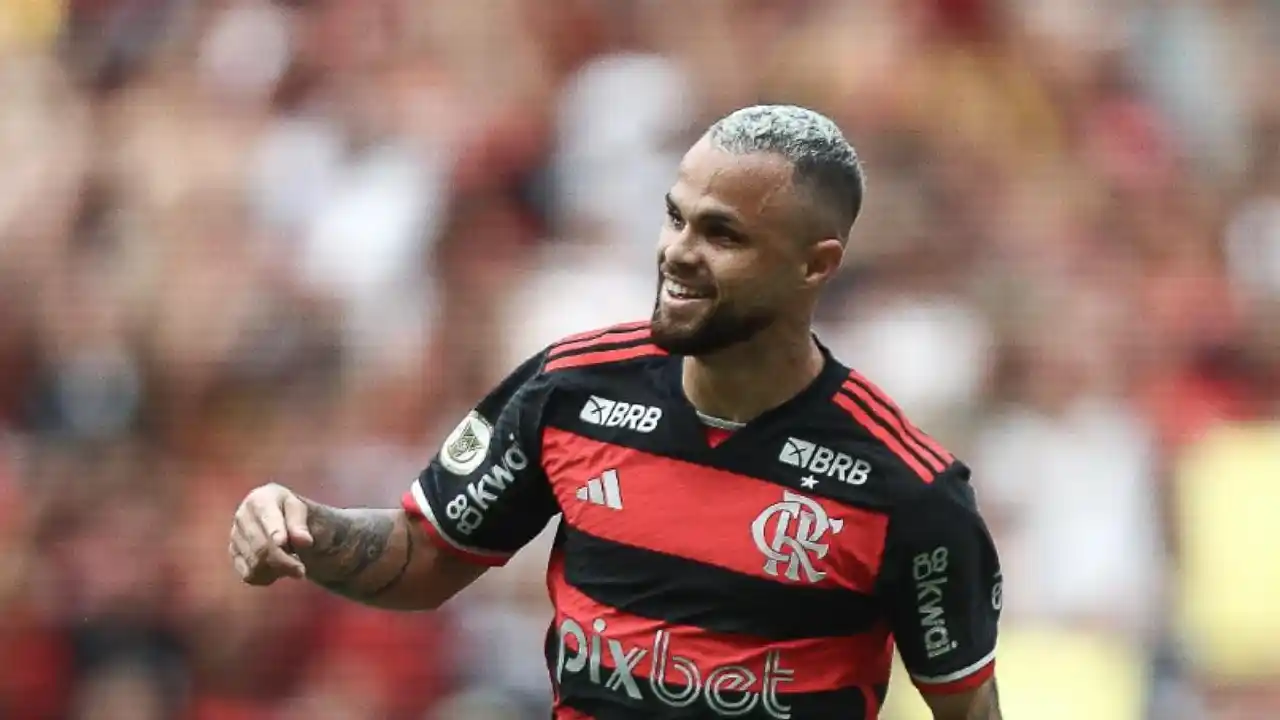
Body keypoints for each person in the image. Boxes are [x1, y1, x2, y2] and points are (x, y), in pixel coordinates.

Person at [229, 105, 1004, 720]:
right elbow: (423, 557)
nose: (677, 252)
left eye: (722, 234)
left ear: (816, 265)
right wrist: (305, 526)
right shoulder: (572, 391)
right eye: (676, 218)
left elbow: (965, 709)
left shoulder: (906, 490)